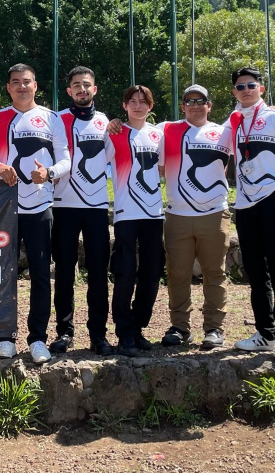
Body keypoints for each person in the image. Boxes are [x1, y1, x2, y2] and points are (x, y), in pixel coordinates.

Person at [0, 63, 71, 364]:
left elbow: (66, 159)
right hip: (6, 207)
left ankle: (37, 339)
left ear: (36, 85)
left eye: (27, 82)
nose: (22, 86)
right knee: (4, 274)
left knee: (41, 275)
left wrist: (49, 173)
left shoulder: (51, 118)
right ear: (8, 87)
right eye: (15, 82)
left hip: (40, 207)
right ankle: (5, 338)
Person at [227, 67, 275, 362]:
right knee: (255, 272)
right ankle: (265, 334)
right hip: (245, 205)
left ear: (261, 87)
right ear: (234, 92)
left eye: (251, 85)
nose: (246, 89)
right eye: (240, 86)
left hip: (274, 200)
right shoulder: (233, 121)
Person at [158, 84, 233, 350]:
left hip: (214, 213)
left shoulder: (225, 132)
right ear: (183, 106)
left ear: (209, 105)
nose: (195, 105)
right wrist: (115, 124)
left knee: (215, 273)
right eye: (190, 100)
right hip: (177, 215)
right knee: (177, 274)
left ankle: (214, 328)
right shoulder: (166, 129)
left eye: (201, 100)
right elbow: (137, 132)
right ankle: (180, 327)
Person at [50, 66, 113, 356]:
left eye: (87, 85)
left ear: (95, 89)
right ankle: (64, 332)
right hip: (63, 207)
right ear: (69, 91)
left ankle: (98, 335)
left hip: (97, 207)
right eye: (76, 85)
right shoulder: (56, 120)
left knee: (99, 273)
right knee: (64, 273)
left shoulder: (107, 123)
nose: (82, 89)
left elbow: (112, 159)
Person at [104, 85, 166, 357]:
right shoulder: (114, 133)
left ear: (151, 107)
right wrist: (109, 125)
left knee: (152, 274)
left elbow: (166, 168)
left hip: (154, 214)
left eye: (143, 101)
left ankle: (139, 327)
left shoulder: (159, 135)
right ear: (124, 105)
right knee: (125, 273)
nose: (138, 106)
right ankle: (124, 332)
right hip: (126, 214)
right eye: (133, 101)